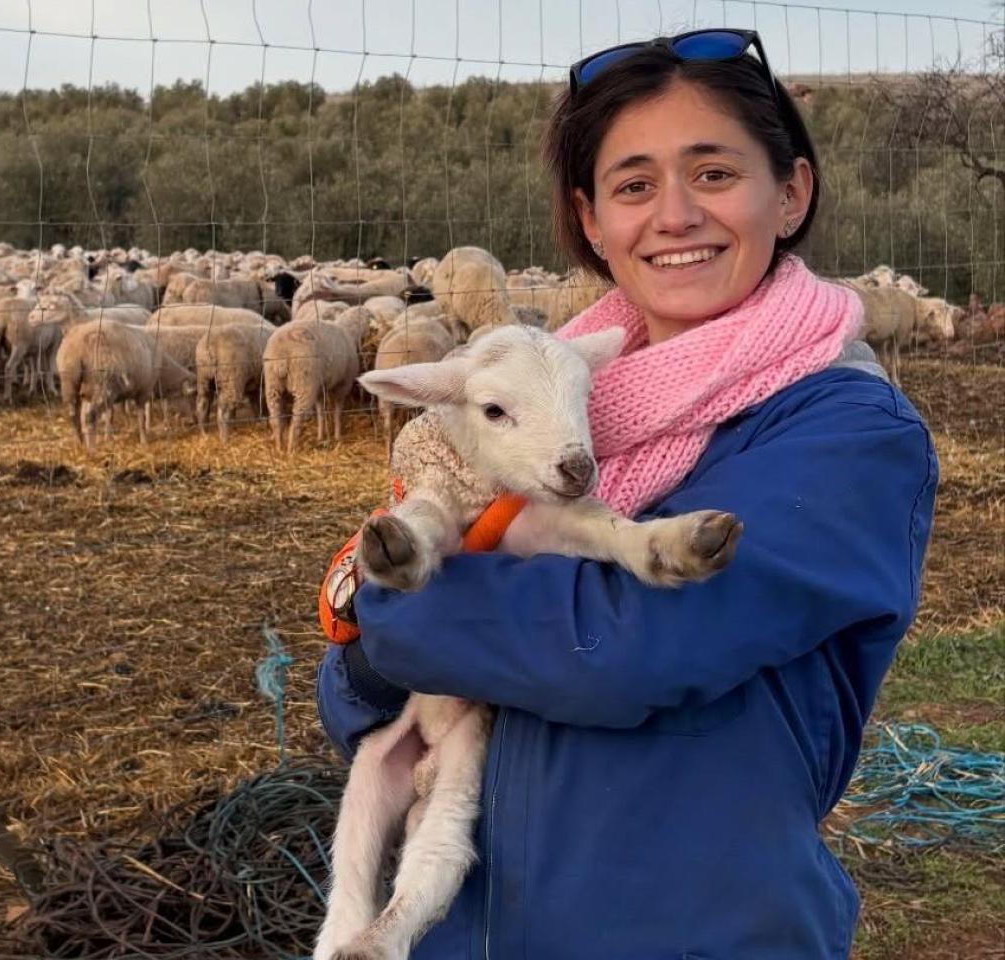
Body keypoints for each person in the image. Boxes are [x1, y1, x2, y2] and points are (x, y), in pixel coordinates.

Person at [315, 29, 937, 960]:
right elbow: (351, 699)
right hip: (460, 930)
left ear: (792, 191)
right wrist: (365, 658)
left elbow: (620, 642)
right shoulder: (541, 406)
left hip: (687, 933)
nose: (674, 214)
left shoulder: (849, 432)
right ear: (593, 220)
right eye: (634, 185)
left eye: (715, 173)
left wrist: (388, 611)